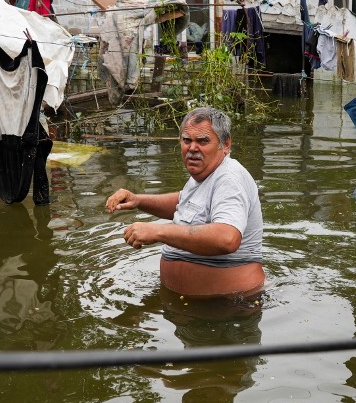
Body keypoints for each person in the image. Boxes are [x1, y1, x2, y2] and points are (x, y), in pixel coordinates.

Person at [105, 107, 265, 297]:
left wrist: (158, 231)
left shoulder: (229, 178)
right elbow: (186, 203)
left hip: (228, 307)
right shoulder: (205, 174)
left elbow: (227, 238)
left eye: (203, 141)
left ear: (226, 144)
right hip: (189, 306)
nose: (192, 148)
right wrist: (138, 200)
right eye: (187, 140)